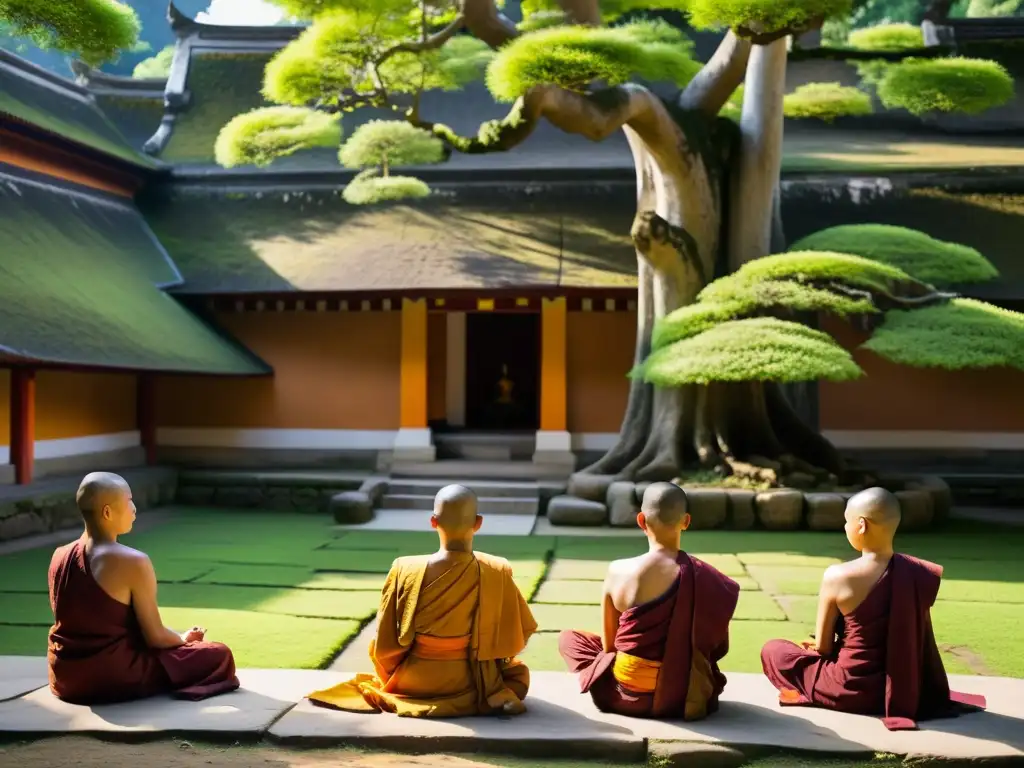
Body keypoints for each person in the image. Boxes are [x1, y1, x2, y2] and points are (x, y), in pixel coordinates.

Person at [760, 487, 986, 730]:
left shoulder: (838, 575)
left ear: (861, 525)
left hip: (848, 689)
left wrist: (815, 647)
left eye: (846, 522)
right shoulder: (916, 572)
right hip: (906, 688)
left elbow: (824, 648)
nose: (845, 527)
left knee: (774, 650)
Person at [307, 484, 537, 717]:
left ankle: (420, 695)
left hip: (413, 681)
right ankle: (496, 698)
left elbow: (385, 641)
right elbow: (522, 630)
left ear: (433, 522)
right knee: (516, 675)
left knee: (377, 655)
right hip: (472, 682)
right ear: (478, 523)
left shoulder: (404, 568)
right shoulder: (496, 569)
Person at [48, 472, 239, 704]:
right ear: (107, 512)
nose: (135, 508)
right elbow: (156, 637)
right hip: (109, 675)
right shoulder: (133, 561)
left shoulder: (60, 555)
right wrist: (183, 639)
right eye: (129, 501)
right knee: (219, 654)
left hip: (65, 676)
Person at [558, 482, 739, 720]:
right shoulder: (707, 578)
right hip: (683, 693)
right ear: (686, 521)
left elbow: (609, 648)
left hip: (626, 694)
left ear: (641, 520)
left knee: (570, 639)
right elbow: (716, 648)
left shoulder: (617, 570)